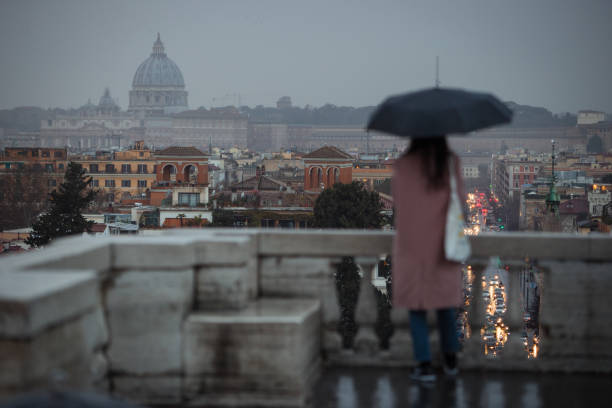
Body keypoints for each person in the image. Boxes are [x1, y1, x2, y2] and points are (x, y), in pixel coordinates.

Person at [391, 136, 465, 382]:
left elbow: (400, 205)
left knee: (416, 306)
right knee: (445, 305)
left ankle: (423, 364)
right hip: (442, 243)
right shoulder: (450, 163)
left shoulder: (404, 165)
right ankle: (451, 358)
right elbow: (461, 204)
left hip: (412, 244)